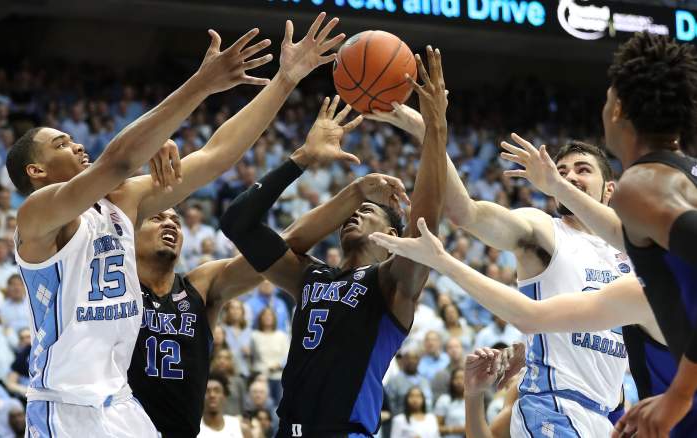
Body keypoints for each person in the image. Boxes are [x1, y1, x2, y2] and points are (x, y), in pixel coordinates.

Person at [8, 25, 272, 437]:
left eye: (73, 140)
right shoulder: (36, 214)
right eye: (61, 144)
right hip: (65, 406)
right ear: (36, 171)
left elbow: (218, 156)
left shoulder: (120, 204)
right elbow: (115, 162)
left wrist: (289, 78)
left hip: (121, 403)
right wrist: (201, 84)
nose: (77, 146)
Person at [127, 13, 361, 437]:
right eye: (159, 216)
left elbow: (279, 245)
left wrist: (307, 164)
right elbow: (118, 170)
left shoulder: (201, 285)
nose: (171, 222)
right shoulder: (115, 281)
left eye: (176, 218)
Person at [221, 47, 446, 437]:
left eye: (369, 211)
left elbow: (424, 225)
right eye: (354, 212)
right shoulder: (309, 276)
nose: (355, 215)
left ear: (394, 239)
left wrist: (435, 129)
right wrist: (306, 161)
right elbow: (238, 223)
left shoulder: (391, 283)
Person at [370, 107, 628, 436]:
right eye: (561, 171)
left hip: (601, 416)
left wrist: (526, 350)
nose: (570, 176)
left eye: (583, 169)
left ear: (609, 189)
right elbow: (466, 212)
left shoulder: (627, 254)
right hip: (553, 407)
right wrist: (428, 132)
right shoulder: (544, 230)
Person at [601, 33, 697, 438]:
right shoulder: (685, 173)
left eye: (606, 101)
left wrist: (679, 393)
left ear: (619, 107)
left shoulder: (639, 185)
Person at [251, 307, 290, 403]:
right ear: (260, 318)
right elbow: (252, 358)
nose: (267, 317)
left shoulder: (282, 336)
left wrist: (279, 365)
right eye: (265, 315)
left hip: (278, 377)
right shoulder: (254, 336)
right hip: (261, 377)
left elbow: (288, 356)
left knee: (279, 405)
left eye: (270, 315)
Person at [198, 373, 248, 438]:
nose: (212, 395)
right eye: (207, 391)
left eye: (217, 391)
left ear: (224, 396)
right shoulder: (194, 430)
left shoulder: (241, 428)